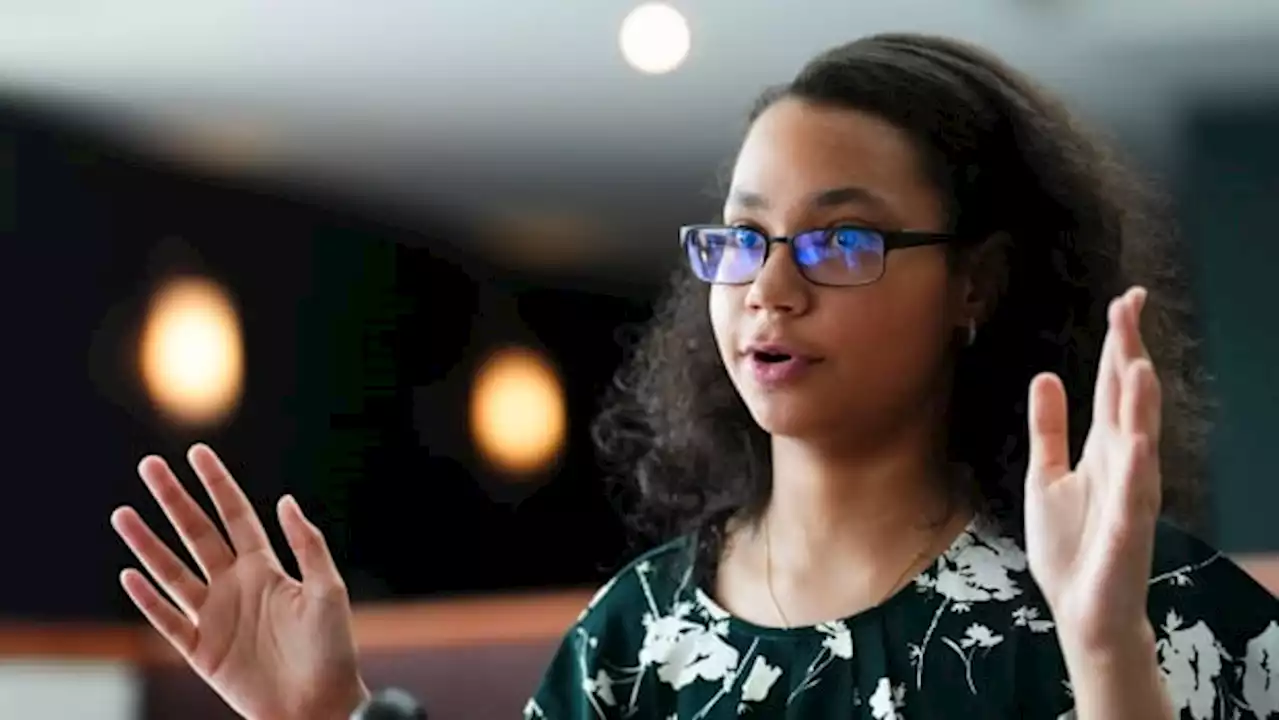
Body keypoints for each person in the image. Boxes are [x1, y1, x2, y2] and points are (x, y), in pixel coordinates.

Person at [110, 33, 1279, 720]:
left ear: (975, 283)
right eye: (740, 237)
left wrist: (1108, 657)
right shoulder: (641, 638)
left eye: (836, 240)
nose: (769, 288)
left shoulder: (1143, 603)